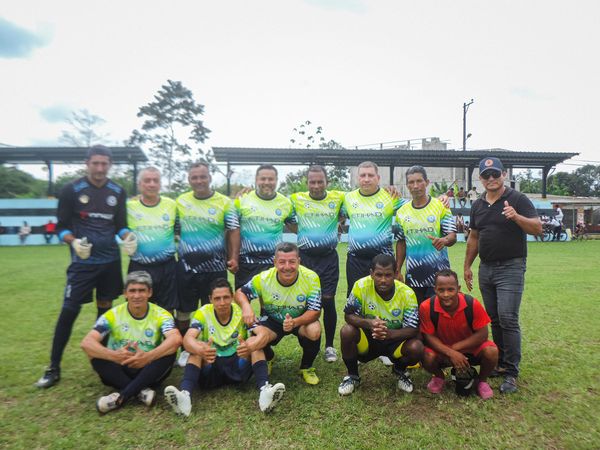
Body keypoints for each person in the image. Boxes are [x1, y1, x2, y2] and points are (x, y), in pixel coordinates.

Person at [36, 145, 138, 388]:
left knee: (104, 313)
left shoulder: (117, 191)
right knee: (69, 311)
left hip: (110, 263)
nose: (100, 168)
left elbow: (120, 225)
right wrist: (73, 242)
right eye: (96, 163)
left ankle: (101, 360)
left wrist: (128, 237)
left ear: (110, 164)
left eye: (104, 164)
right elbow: (61, 228)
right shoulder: (71, 190)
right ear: (87, 163)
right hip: (82, 265)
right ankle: (53, 367)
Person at [464, 157, 541, 394]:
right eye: (486, 175)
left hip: (511, 267)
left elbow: (537, 228)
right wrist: (467, 266)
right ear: (480, 178)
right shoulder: (478, 205)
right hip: (486, 268)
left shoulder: (518, 199)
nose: (491, 179)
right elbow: (474, 237)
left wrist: (516, 217)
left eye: (495, 174)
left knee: (508, 318)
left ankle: (511, 372)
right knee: (494, 319)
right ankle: (499, 363)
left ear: (504, 175)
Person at [164, 279, 285, 416]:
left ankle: (265, 392)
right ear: (210, 299)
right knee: (197, 347)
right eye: (217, 298)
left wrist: (250, 347)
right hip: (211, 365)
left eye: (226, 297)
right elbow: (187, 339)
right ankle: (185, 396)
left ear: (232, 297)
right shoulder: (203, 312)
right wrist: (200, 350)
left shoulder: (241, 312)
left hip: (238, 367)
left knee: (253, 342)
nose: (222, 303)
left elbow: (263, 334)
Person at [80, 271, 182, 413]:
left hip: (148, 370)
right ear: (125, 293)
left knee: (170, 351)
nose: (137, 295)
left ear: (150, 292)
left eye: (141, 290)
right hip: (120, 367)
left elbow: (176, 339)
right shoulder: (113, 314)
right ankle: (141, 392)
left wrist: (148, 357)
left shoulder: (161, 314)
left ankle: (122, 396)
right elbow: (86, 343)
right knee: (94, 352)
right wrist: (114, 356)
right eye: (132, 291)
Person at [175, 162, 240, 364]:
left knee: (213, 308)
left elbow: (234, 230)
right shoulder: (180, 201)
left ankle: (211, 346)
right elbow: (173, 229)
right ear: (189, 180)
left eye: (202, 177)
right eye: (194, 177)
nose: (199, 181)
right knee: (183, 311)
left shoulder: (224, 202)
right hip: (186, 267)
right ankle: (186, 350)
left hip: (215, 268)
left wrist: (234, 257)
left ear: (209, 178)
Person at [235, 242, 323, 385]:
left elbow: (315, 311)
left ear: (299, 261)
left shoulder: (311, 277)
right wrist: (246, 307)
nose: (287, 267)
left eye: (292, 262)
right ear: (275, 262)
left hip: (299, 319)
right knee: (257, 334)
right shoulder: (264, 278)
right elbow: (240, 293)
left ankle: (306, 367)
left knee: (314, 330)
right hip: (273, 320)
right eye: (282, 262)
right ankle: (269, 357)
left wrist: (294, 322)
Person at [337, 254, 422, 395]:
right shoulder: (360, 286)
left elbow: (413, 329)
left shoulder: (407, 293)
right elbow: (348, 315)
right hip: (369, 340)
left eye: (388, 275)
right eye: (379, 275)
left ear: (395, 273)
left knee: (416, 347)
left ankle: (400, 370)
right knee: (347, 331)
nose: (383, 280)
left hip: (395, 341)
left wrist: (389, 334)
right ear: (371, 273)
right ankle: (352, 376)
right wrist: (369, 323)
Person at [289, 165, 345, 362]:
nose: (316, 185)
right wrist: (305, 233)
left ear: (327, 182)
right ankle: (310, 342)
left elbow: (350, 211)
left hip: (328, 258)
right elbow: (287, 219)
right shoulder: (296, 199)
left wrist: (338, 225)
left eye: (320, 181)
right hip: (305, 258)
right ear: (307, 182)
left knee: (328, 301)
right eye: (312, 182)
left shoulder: (338, 198)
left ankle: (329, 346)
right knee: (306, 302)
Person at [420, 269, 498, 399]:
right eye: (441, 290)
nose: (446, 294)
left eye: (451, 289)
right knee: (426, 356)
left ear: (459, 289)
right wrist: (450, 353)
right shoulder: (426, 307)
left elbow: (483, 334)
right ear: (435, 290)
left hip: (469, 348)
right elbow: (429, 337)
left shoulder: (472, 303)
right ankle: (439, 377)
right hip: (442, 350)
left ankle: (482, 381)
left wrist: (454, 349)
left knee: (492, 351)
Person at [395, 166, 457, 304]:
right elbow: (401, 242)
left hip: (439, 279)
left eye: (419, 181)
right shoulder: (401, 212)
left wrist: (444, 240)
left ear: (427, 182)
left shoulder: (440, 206)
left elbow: (452, 236)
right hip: (413, 277)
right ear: (407, 185)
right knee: (416, 315)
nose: (415, 186)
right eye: (411, 182)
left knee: (437, 315)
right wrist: (397, 269)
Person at [234, 165, 294, 290]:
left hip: (273, 263)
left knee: (271, 301)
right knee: (243, 298)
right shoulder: (242, 199)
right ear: (256, 180)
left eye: (270, 179)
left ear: (276, 181)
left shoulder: (285, 203)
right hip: (246, 262)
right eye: (263, 179)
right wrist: (232, 257)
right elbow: (232, 230)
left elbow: (296, 228)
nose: (267, 182)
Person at [127, 167, 178, 313]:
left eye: (155, 180)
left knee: (167, 311)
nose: (151, 184)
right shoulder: (129, 207)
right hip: (139, 266)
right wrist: (125, 239)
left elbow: (179, 230)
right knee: (138, 310)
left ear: (160, 184)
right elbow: (119, 229)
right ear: (139, 184)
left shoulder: (171, 205)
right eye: (147, 180)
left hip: (166, 267)